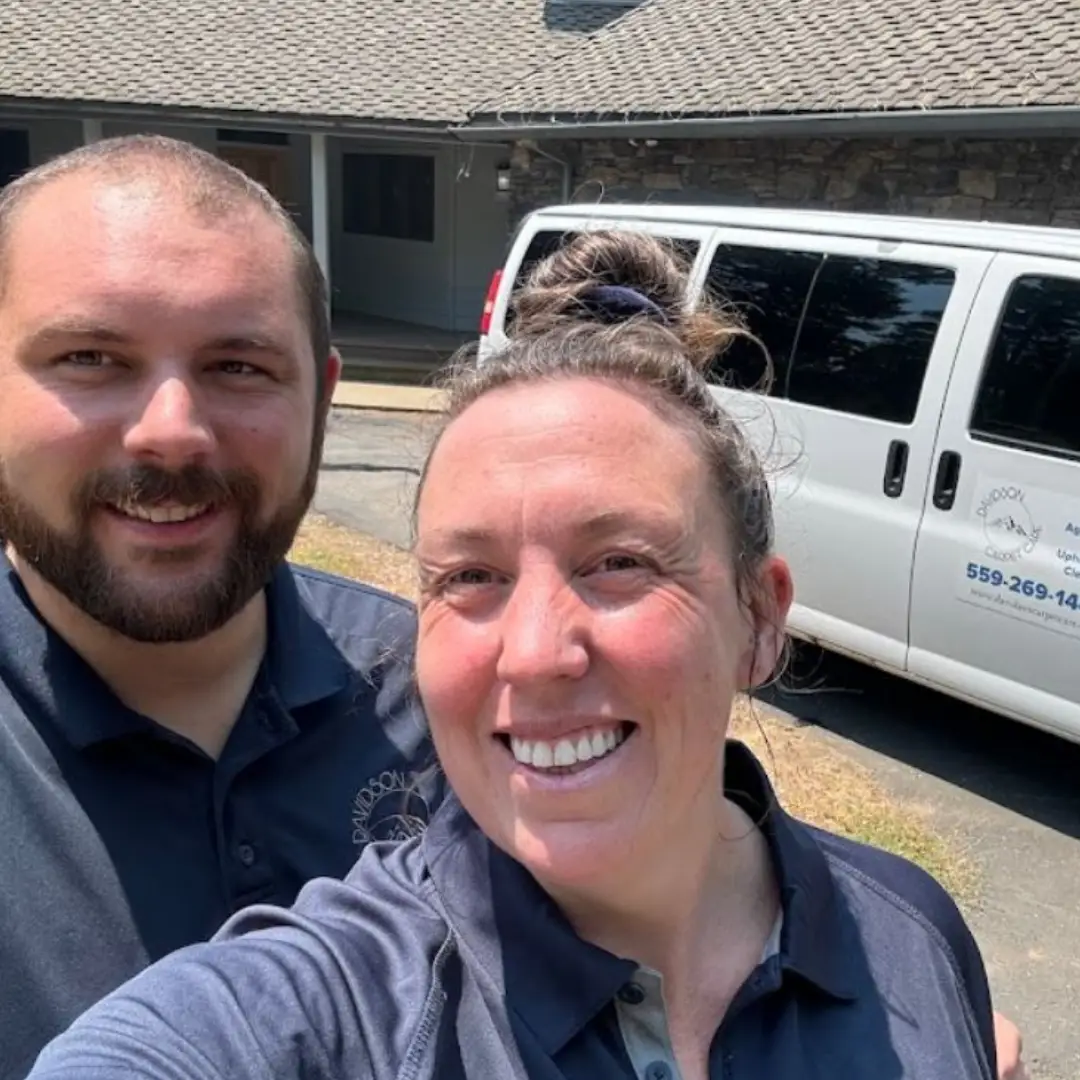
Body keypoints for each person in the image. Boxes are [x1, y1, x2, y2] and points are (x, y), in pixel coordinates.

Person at [28, 230, 1005, 1079]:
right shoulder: (327, 1003)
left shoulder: (912, 934)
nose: (534, 655)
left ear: (760, 617)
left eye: (619, 563)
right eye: (471, 578)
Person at [0, 136, 436, 1078]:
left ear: (321, 397)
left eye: (238, 367)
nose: (173, 433)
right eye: (89, 357)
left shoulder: (449, 702)